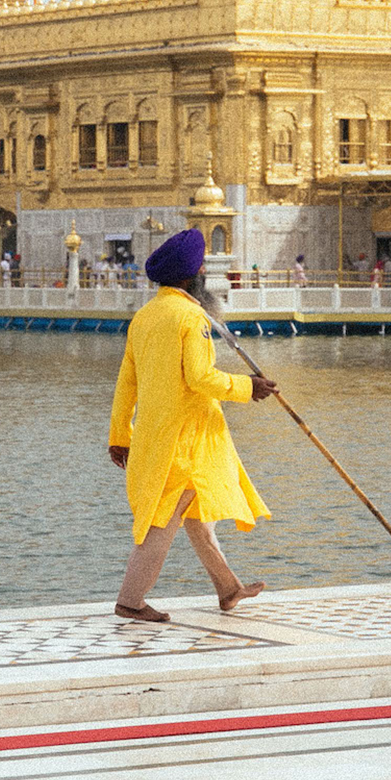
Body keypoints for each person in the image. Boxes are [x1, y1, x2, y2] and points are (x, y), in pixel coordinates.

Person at [108, 228, 277, 624]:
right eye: (201, 266)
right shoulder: (190, 316)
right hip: (183, 438)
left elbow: (126, 383)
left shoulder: (145, 317)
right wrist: (247, 387)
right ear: (192, 277)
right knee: (164, 518)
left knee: (196, 513)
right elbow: (201, 377)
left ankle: (228, 588)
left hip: (159, 433)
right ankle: (131, 599)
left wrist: (119, 435)